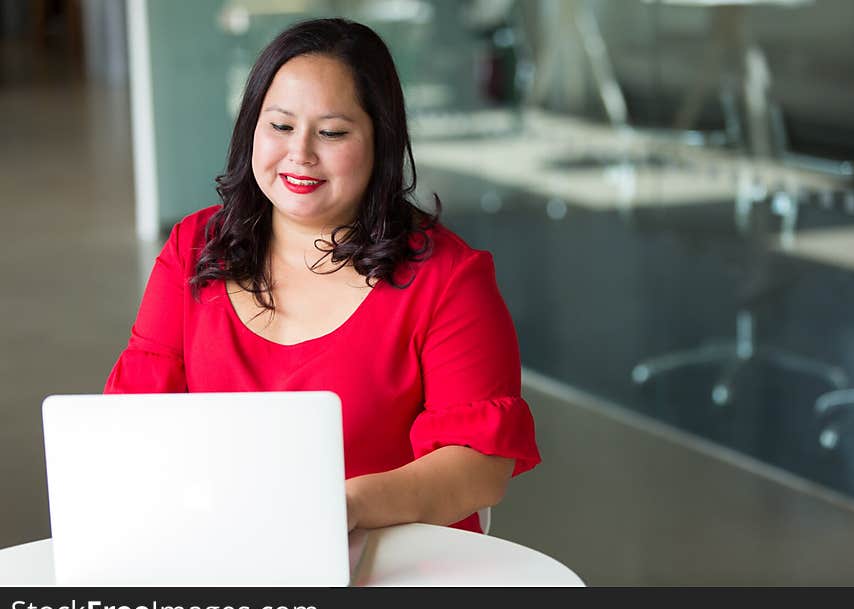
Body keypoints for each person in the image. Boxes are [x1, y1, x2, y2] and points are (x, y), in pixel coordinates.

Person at [105, 17, 539, 534]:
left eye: (332, 132)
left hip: (390, 558)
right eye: (281, 125)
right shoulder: (193, 248)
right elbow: (132, 423)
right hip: (223, 550)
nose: (300, 153)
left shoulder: (448, 279)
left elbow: (480, 467)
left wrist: (344, 509)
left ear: (382, 140)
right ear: (251, 129)